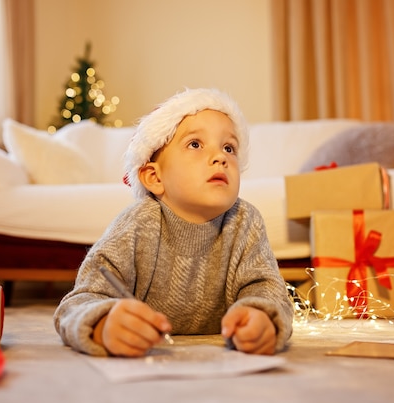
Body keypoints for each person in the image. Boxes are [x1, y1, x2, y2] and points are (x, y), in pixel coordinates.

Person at [53, 88, 294, 357]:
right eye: (195, 144)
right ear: (154, 178)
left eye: (229, 147)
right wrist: (102, 325)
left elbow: (268, 289)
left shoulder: (245, 221)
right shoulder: (137, 223)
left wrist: (262, 318)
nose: (221, 157)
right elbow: (78, 302)